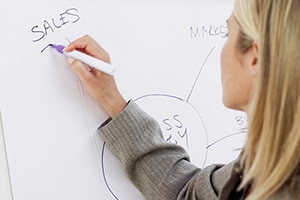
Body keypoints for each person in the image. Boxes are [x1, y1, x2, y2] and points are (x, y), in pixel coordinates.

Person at [64, 0, 300, 199]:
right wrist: (110, 98)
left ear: (254, 59)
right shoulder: (262, 167)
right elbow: (186, 192)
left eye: (228, 33)